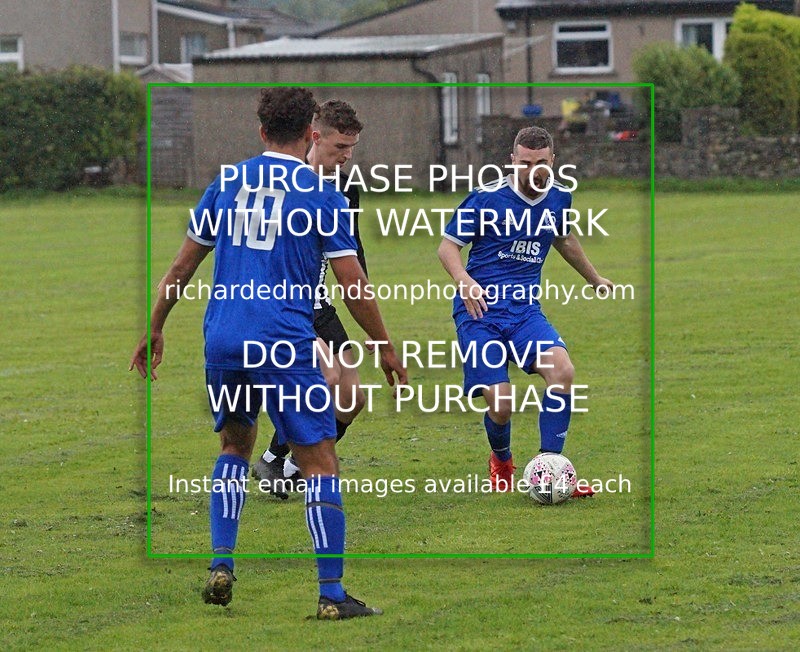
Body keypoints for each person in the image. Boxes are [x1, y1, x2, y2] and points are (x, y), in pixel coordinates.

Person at [130, 87, 407, 619]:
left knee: (233, 448)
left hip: (224, 338)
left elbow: (182, 268)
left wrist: (155, 327)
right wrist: (385, 348)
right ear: (310, 133)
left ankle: (222, 562)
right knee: (321, 460)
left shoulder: (226, 183)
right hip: (282, 337)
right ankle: (331, 595)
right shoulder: (323, 193)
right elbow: (352, 283)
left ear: (261, 132)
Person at [437, 126, 612, 494]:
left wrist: (594, 278)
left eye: (541, 163)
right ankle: (501, 459)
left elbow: (563, 238)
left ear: (553, 163)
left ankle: (553, 470)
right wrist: (464, 280)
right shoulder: (486, 199)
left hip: (525, 313)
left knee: (562, 371)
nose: (533, 171)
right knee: (501, 403)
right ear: (512, 162)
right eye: (526, 163)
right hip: (479, 313)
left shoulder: (559, 199)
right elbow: (447, 248)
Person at [252, 99, 369, 498]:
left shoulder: (346, 189)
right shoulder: (283, 182)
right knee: (325, 377)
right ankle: (285, 461)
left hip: (320, 306)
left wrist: (364, 295)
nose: (346, 156)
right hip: (283, 306)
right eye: (339, 147)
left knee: (351, 398)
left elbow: (352, 251)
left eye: (352, 148)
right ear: (314, 137)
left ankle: (281, 461)